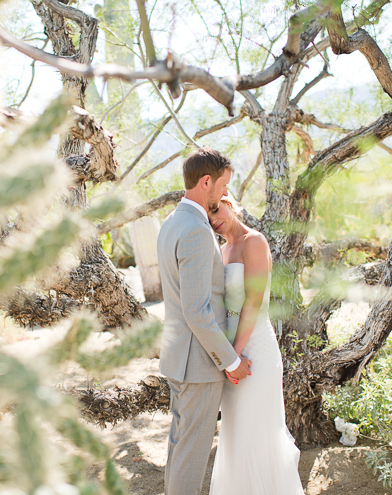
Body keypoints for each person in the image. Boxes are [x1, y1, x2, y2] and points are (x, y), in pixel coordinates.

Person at [157, 147, 252, 495]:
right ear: (206, 181)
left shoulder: (172, 222)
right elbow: (197, 310)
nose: (225, 194)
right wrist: (232, 359)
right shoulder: (196, 229)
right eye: (223, 186)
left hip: (179, 359)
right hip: (197, 364)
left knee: (180, 449)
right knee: (191, 455)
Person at [207, 194, 304, 495]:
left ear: (229, 202)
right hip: (230, 353)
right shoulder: (221, 250)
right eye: (208, 217)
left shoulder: (254, 241)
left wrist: (233, 355)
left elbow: (253, 300)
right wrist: (225, 356)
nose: (214, 220)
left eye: (216, 209)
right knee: (236, 433)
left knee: (258, 429)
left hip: (257, 349)